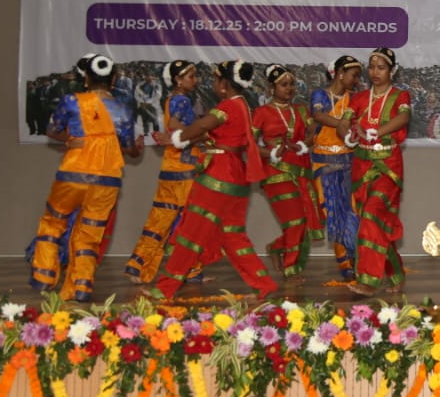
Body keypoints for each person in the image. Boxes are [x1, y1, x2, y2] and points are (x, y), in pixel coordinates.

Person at [153, 60, 279, 301]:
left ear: (224, 84)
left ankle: (165, 288)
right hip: (236, 175)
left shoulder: (228, 106)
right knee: (232, 234)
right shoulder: (243, 105)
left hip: (219, 173)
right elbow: (213, 135)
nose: (211, 84)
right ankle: (264, 284)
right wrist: (185, 137)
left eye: (214, 79)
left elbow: (203, 124)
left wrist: (178, 137)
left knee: (192, 232)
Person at [28, 53, 143, 301]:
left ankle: (44, 275)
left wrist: (70, 139)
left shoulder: (71, 101)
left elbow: (53, 130)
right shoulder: (123, 109)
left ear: (86, 79)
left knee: (53, 221)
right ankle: (82, 285)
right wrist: (137, 149)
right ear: (114, 79)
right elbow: (128, 147)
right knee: (90, 233)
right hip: (107, 179)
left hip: (73, 173)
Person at [124, 59, 205, 285]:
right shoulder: (181, 100)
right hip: (184, 166)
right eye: (191, 76)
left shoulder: (173, 99)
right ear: (178, 80)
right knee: (188, 219)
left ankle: (139, 264)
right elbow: (176, 126)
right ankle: (188, 269)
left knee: (164, 218)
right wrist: (202, 135)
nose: (195, 80)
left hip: (174, 164)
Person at [342, 48, 412, 297]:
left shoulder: (400, 96)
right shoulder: (360, 98)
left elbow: (403, 117)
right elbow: (345, 121)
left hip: (388, 166)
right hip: (362, 167)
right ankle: (396, 272)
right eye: (371, 67)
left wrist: (377, 133)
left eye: (381, 68)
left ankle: (369, 280)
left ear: (392, 71)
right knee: (375, 222)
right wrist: (348, 135)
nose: (375, 72)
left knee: (372, 215)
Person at [253, 64, 324, 281]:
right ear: (271, 88)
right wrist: (270, 153)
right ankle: (290, 268)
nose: (289, 88)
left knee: (305, 221)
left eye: (292, 84)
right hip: (276, 172)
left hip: (301, 170)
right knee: (295, 221)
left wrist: (304, 144)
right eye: (284, 84)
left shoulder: (301, 110)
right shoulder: (261, 113)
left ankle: (276, 247)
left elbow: (314, 133)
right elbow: (249, 145)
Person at [310, 55, 363, 282]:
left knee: (351, 211)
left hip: (349, 162)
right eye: (354, 75)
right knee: (332, 212)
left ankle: (354, 258)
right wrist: (343, 123)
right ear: (340, 73)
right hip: (324, 163)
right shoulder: (320, 95)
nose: (356, 80)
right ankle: (344, 264)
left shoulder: (355, 99)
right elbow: (318, 115)